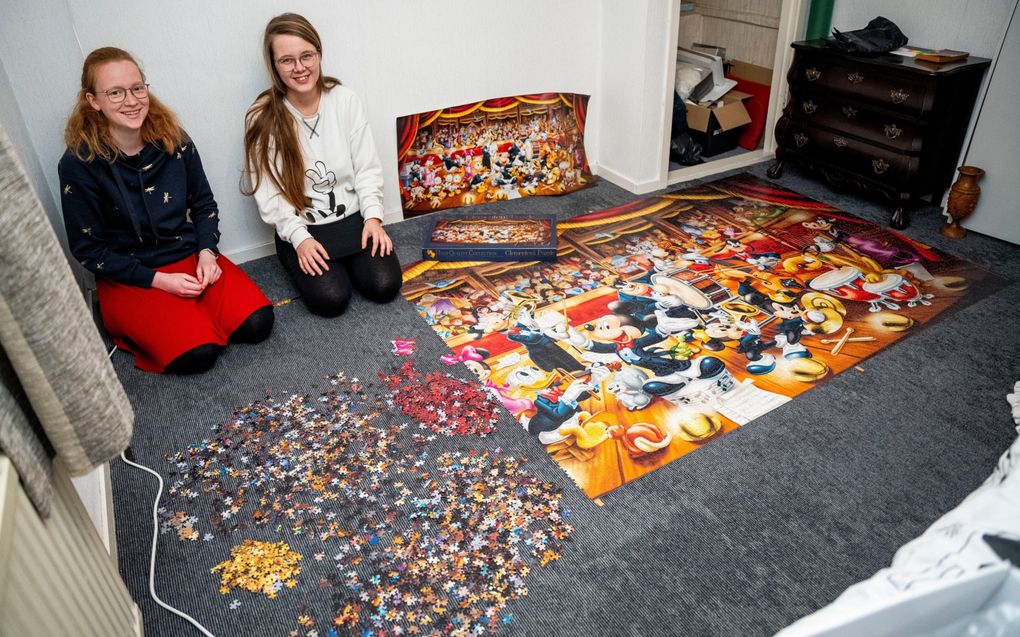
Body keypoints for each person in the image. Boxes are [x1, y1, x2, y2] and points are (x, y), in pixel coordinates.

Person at [59, 47, 274, 374]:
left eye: (137, 88)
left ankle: (195, 316)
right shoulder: (78, 165)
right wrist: (159, 281)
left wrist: (206, 253)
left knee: (259, 323)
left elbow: (203, 204)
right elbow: (88, 250)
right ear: (93, 100)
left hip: (186, 255)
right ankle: (141, 322)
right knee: (198, 355)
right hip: (130, 275)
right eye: (115, 92)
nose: (131, 100)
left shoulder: (175, 140)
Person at [243, 13, 402, 317]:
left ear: (319, 54)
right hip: (305, 227)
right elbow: (269, 193)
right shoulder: (260, 116)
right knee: (331, 299)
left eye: (307, 56)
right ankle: (300, 255)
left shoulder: (344, 99)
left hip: (353, 219)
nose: (300, 67)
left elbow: (367, 168)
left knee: (384, 285)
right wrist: (299, 239)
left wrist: (373, 218)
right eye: (287, 60)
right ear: (274, 66)